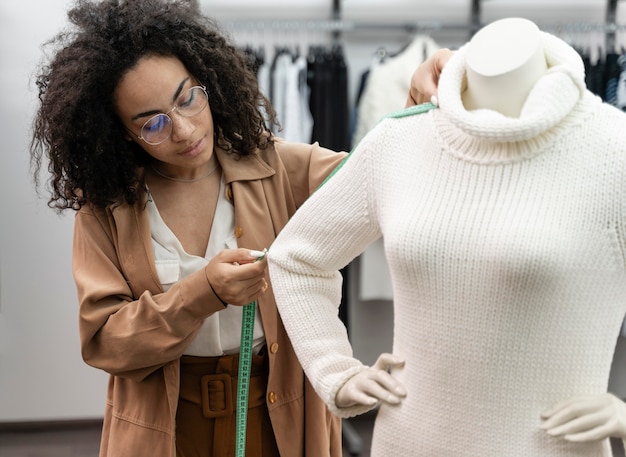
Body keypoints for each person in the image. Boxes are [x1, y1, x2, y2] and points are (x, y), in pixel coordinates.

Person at [28, 0, 451, 456]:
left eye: (187, 98)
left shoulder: (278, 166)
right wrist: (203, 293)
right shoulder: (106, 209)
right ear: (120, 133)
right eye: (153, 123)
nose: (186, 131)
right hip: (166, 423)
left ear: (206, 80)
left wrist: (415, 104)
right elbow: (105, 342)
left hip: (278, 413)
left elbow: (382, 180)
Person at [268, 17, 626, 457]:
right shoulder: (399, 140)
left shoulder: (613, 150)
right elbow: (296, 258)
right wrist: (334, 371)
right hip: (407, 443)